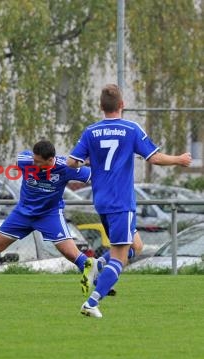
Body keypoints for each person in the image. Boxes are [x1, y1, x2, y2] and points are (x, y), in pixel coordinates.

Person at [68, 84, 191, 318]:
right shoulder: (130, 128)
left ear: (101, 107)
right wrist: (179, 159)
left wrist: (93, 162)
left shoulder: (90, 131)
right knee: (121, 257)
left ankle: (96, 266)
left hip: (102, 201)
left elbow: (72, 162)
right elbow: (153, 158)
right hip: (121, 202)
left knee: (136, 246)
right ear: (122, 105)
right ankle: (92, 302)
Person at [0, 140, 95, 295]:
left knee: (71, 253)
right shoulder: (26, 160)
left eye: (39, 162)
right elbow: (19, 161)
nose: (34, 164)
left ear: (51, 160)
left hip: (49, 215)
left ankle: (102, 283)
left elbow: (93, 175)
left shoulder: (66, 167)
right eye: (34, 160)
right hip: (23, 213)